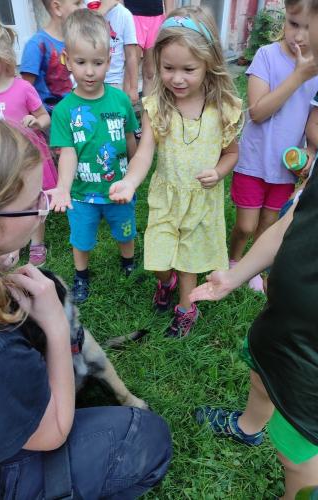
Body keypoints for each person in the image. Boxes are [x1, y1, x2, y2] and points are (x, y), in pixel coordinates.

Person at [0, 111, 172, 498]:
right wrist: (57, 328)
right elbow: (51, 433)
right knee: (145, 436)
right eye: (33, 202)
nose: (44, 207)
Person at [190, 1, 318, 496]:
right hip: (286, 324)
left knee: (296, 452)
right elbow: (300, 214)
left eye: (312, 18)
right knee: (261, 372)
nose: (305, 35)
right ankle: (248, 426)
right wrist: (235, 275)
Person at [109, 6, 242, 338]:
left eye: (188, 69)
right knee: (158, 260)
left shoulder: (222, 108)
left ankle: (186, 308)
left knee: (188, 263)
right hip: (167, 196)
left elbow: (232, 153)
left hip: (201, 200)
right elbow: (145, 154)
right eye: (168, 68)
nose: (177, 78)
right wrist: (129, 180)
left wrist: (219, 171)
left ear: (209, 64)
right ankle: (163, 281)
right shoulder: (157, 107)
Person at [229, 0, 318, 293]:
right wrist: (297, 77)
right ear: (284, 21)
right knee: (245, 224)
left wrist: (308, 152)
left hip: (286, 166)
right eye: (294, 24)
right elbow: (257, 111)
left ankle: (253, 266)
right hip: (254, 159)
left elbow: (314, 120)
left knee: (268, 222)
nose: (300, 35)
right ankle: (234, 259)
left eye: (309, 28)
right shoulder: (267, 56)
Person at [49, 10, 139, 303]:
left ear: (109, 62)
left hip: (119, 190)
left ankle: (128, 263)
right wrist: (63, 187)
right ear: (67, 60)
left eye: (98, 63)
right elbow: (68, 153)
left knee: (125, 231)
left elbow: (129, 139)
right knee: (81, 238)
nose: (90, 71)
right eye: (81, 62)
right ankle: (81, 275)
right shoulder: (64, 110)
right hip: (81, 194)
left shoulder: (121, 100)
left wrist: (135, 177)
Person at [0, 15, 57, 267]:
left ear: (3, 56)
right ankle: (8, 244)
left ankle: (37, 242)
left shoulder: (22, 88)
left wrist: (36, 122)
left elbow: (45, 117)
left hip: (26, 157)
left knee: (31, 200)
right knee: (2, 202)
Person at [20, 0, 85, 114]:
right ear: (57, 8)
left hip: (77, 113)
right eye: (77, 3)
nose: (83, 7)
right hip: (50, 120)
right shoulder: (36, 44)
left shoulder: (77, 40)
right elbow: (24, 90)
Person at [88, 0, 139, 105]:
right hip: (86, 79)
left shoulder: (125, 15)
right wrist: (101, 12)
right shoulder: (85, 7)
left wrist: (133, 88)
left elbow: (131, 55)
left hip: (113, 81)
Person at [123, 0, 175, 96]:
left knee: (151, 72)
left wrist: (170, 15)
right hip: (133, 16)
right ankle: (126, 109)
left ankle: (147, 110)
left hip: (157, 18)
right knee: (131, 71)